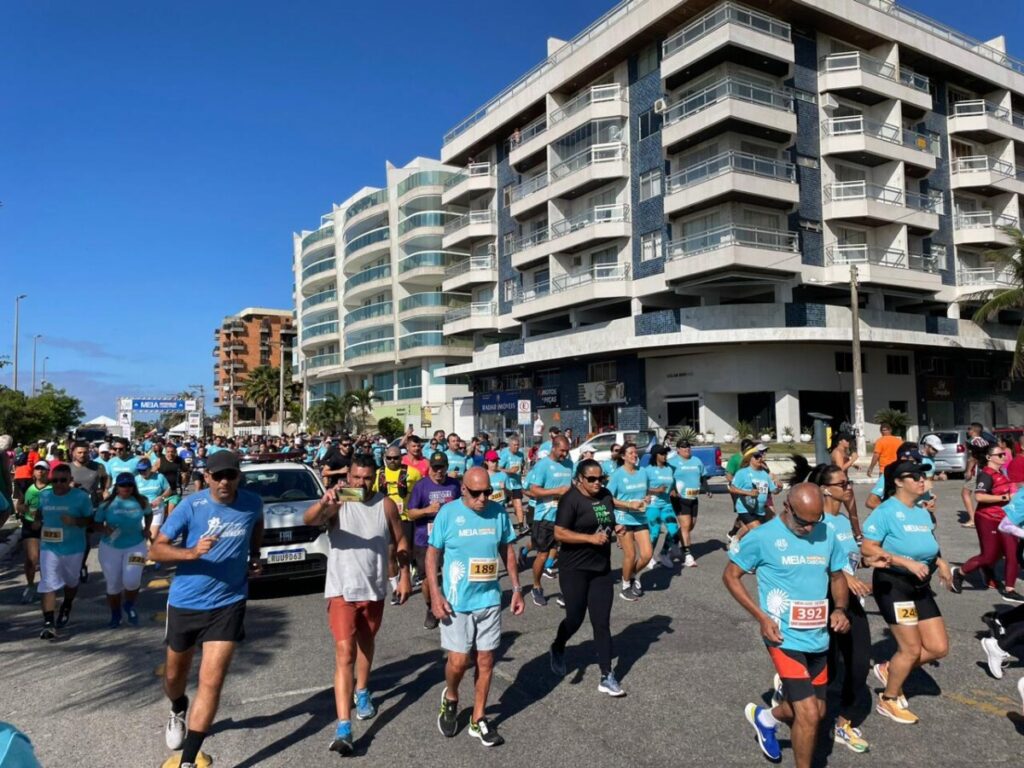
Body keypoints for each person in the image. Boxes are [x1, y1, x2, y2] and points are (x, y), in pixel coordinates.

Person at [149, 450, 264, 768]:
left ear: (239, 476)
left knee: (211, 681)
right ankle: (177, 707)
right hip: (186, 602)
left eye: (231, 475)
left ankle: (187, 760)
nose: (225, 481)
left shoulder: (252, 502)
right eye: (218, 476)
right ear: (208, 477)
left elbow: (257, 526)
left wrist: (254, 556)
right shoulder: (191, 505)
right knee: (175, 676)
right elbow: (156, 550)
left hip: (229, 602)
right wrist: (190, 553)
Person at [724, 483, 852, 768]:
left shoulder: (827, 533)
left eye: (814, 521)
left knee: (817, 711)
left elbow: (837, 576)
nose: (808, 529)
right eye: (802, 522)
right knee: (807, 713)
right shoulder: (762, 537)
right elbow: (731, 576)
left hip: (818, 637)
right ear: (787, 507)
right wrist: (761, 617)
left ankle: (765, 718)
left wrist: (841, 609)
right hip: (783, 638)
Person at [303, 456, 411, 756]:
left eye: (367, 478)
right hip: (341, 590)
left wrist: (404, 575)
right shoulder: (338, 503)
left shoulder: (385, 505)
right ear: (347, 476)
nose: (361, 484)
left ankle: (362, 690)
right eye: (356, 478)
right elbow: (309, 519)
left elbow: (401, 540)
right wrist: (325, 504)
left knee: (366, 643)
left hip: (374, 589)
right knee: (344, 652)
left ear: (375, 478)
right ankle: (343, 725)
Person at [428, 467, 524, 747]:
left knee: (485, 661)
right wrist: (435, 595)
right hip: (456, 602)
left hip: (489, 600)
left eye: (487, 492)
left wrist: (516, 589)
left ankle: (478, 718)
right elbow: (433, 555)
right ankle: (452, 696)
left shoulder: (497, 513)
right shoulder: (448, 514)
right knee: (458, 662)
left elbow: (507, 550)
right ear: (463, 490)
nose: (483, 498)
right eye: (476, 493)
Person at [860, 459, 953, 724]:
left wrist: (940, 561)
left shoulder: (921, 511)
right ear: (899, 482)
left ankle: (890, 668)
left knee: (938, 647)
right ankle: (888, 699)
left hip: (919, 586)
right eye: (914, 477)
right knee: (911, 649)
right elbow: (868, 550)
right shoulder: (886, 511)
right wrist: (904, 562)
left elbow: (926, 546)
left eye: (923, 476)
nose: (922, 480)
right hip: (894, 586)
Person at [794, 463, 873, 753]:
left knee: (860, 661)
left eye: (849, 481)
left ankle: (844, 722)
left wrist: (870, 562)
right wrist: (845, 576)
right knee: (825, 667)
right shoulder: (815, 520)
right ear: (825, 488)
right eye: (843, 483)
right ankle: (796, 703)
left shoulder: (840, 521)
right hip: (820, 600)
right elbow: (811, 560)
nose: (849, 487)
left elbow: (852, 554)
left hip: (847, 602)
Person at [550, 458, 626, 696]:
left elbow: (607, 520)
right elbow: (559, 532)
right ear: (580, 479)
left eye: (600, 478)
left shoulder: (605, 495)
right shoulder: (571, 499)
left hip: (601, 569)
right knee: (574, 618)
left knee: (601, 622)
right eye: (591, 479)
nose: (597, 483)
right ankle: (558, 645)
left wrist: (617, 528)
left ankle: (607, 675)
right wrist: (589, 539)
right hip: (574, 569)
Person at [951, 443, 1022, 602]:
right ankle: (960, 572)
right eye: (1000, 455)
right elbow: (980, 497)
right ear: (989, 458)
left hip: (1006, 519)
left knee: (1012, 553)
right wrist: (1005, 498)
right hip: (987, 518)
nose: (1004, 457)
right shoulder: (986, 474)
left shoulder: (1001, 473)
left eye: (1004, 454)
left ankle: (1009, 589)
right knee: (989, 556)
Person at [36, 463, 93, 638]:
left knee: (71, 582)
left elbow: (90, 521)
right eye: (55, 480)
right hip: (49, 547)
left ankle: (67, 604)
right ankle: (48, 623)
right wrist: (36, 521)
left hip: (73, 548)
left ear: (70, 480)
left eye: (63, 480)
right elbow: (39, 513)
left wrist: (76, 521)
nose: (58, 484)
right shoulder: (44, 496)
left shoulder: (81, 497)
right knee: (48, 582)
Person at [407, 452, 462, 629]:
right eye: (435, 467)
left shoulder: (454, 484)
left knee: (453, 574)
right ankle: (431, 607)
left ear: (447, 467)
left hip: (451, 538)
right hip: (426, 539)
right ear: (430, 467)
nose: (439, 471)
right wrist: (427, 510)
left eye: (442, 467)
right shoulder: (421, 486)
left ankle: (454, 605)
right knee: (427, 580)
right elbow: (410, 513)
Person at [94, 473, 152, 628]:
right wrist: (104, 528)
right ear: (116, 487)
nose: (126, 488)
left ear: (133, 486)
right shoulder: (107, 504)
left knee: (132, 581)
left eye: (129, 485)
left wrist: (147, 528)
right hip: (110, 548)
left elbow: (149, 514)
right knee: (113, 584)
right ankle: (115, 614)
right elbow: (96, 523)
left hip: (136, 546)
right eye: (122, 485)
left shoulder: (141, 501)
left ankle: (129, 604)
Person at [523, 436, 573, 606]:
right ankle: (536, 587)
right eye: (562, 451)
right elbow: (533, 490)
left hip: (564, 517)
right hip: (544, 517)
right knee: (543, 555)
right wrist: (557, 491)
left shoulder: (569, 464)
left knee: (567, 556)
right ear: (554, 448)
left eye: (567, 451)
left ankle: (566, 591)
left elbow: (571, 486)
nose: (565, 454)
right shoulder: (543, 465)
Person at [374, 446, 422, 604]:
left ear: (401, 458)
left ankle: (406, 578)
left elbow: (420, 491)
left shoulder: (413, 472)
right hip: (385, 519)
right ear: (385, 458)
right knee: (390, 555)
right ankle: (395, 588)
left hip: (405, 518)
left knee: (405, 554)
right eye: (389, 458)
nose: (392, 461)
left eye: (395, 458)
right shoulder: (378, 474)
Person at [608, 443, 652, 600]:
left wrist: (647, 498)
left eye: (636, 452)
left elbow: (647, 492)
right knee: (631, 555)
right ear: (623, 456)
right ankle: (626, 585)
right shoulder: (617, 475)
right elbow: (608, 498)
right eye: (631, 453)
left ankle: (632, 574)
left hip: (640, 517)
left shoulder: (643, 472)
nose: (635, 455)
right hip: (623, 518)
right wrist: (628, 504)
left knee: (647, 555)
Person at [668, 439, 709, 567]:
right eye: (683, 447)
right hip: (679, 499)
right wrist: (672, 490)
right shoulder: (672, 463)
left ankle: (673, 544)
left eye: (688, 447)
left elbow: (702, 476)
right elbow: (668, 479)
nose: (687, 449)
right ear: (678, 449)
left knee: (691, 526)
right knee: (685, 526)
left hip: (693, 498)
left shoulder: (696, 461)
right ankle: (688, 555)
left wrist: (707, 489)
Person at [14, 461, 49, 603]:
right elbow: (20, 505)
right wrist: (29, 511)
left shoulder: (53, 487)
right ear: (33, 472)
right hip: (30, 525)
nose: (40, 471)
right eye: (37, 469)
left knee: (47, 559)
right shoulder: (28, 487)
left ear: (48, 472)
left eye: (43, 469)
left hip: (49, 526)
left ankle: (47, 585)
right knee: (31, 558)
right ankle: (30, 585)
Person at [729, 445, 781, 540]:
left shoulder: (764, 474)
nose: (760, 458)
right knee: (758, 531)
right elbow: (732, 488)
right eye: (757, 457)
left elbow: (774, 491)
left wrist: (779, 486)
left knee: (746, 528)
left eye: (760, 456)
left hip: (759, 510)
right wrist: (748, 493)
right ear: (750, 459)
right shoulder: (742, 473)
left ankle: (735, 539)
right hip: (745, 508)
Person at [643, 445, 677, 570]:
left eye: (665, 454)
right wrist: (657, 490)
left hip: (667, 505)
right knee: (655, 533)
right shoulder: (648, 470)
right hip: (653, 505)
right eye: (662, 454)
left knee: (674, 531)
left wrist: (673, 490)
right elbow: (643, 488)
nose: (664, 456)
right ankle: (648, 557)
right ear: (655, 455)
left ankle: (663, 554)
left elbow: (671, 484)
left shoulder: (669, 469)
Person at [829, 432, 862, 539]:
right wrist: (853, 459)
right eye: (847, 440)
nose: (849, 442)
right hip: (838, 485)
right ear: (840, 441)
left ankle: (858, 535)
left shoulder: (843, 451)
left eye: (850, 440)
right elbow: (840, 469)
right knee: (834, 512)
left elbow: (844, 463)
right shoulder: (838, 452)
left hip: (844, 484)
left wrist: (853, 464)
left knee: (853, 511)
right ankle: (856, 534)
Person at [498, 436, 527, 533]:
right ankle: (501, 525)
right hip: (506, 484)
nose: (517, 447)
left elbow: (522, 464)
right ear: (510, 445)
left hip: (516, 484)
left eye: (518, 445)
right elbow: (498, 468)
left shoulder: (521, 454)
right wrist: (509, 471)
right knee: (502, 506)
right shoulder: (504, 454)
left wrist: (523, 470)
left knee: (518, 504)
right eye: (514, 445)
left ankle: (521, 525)